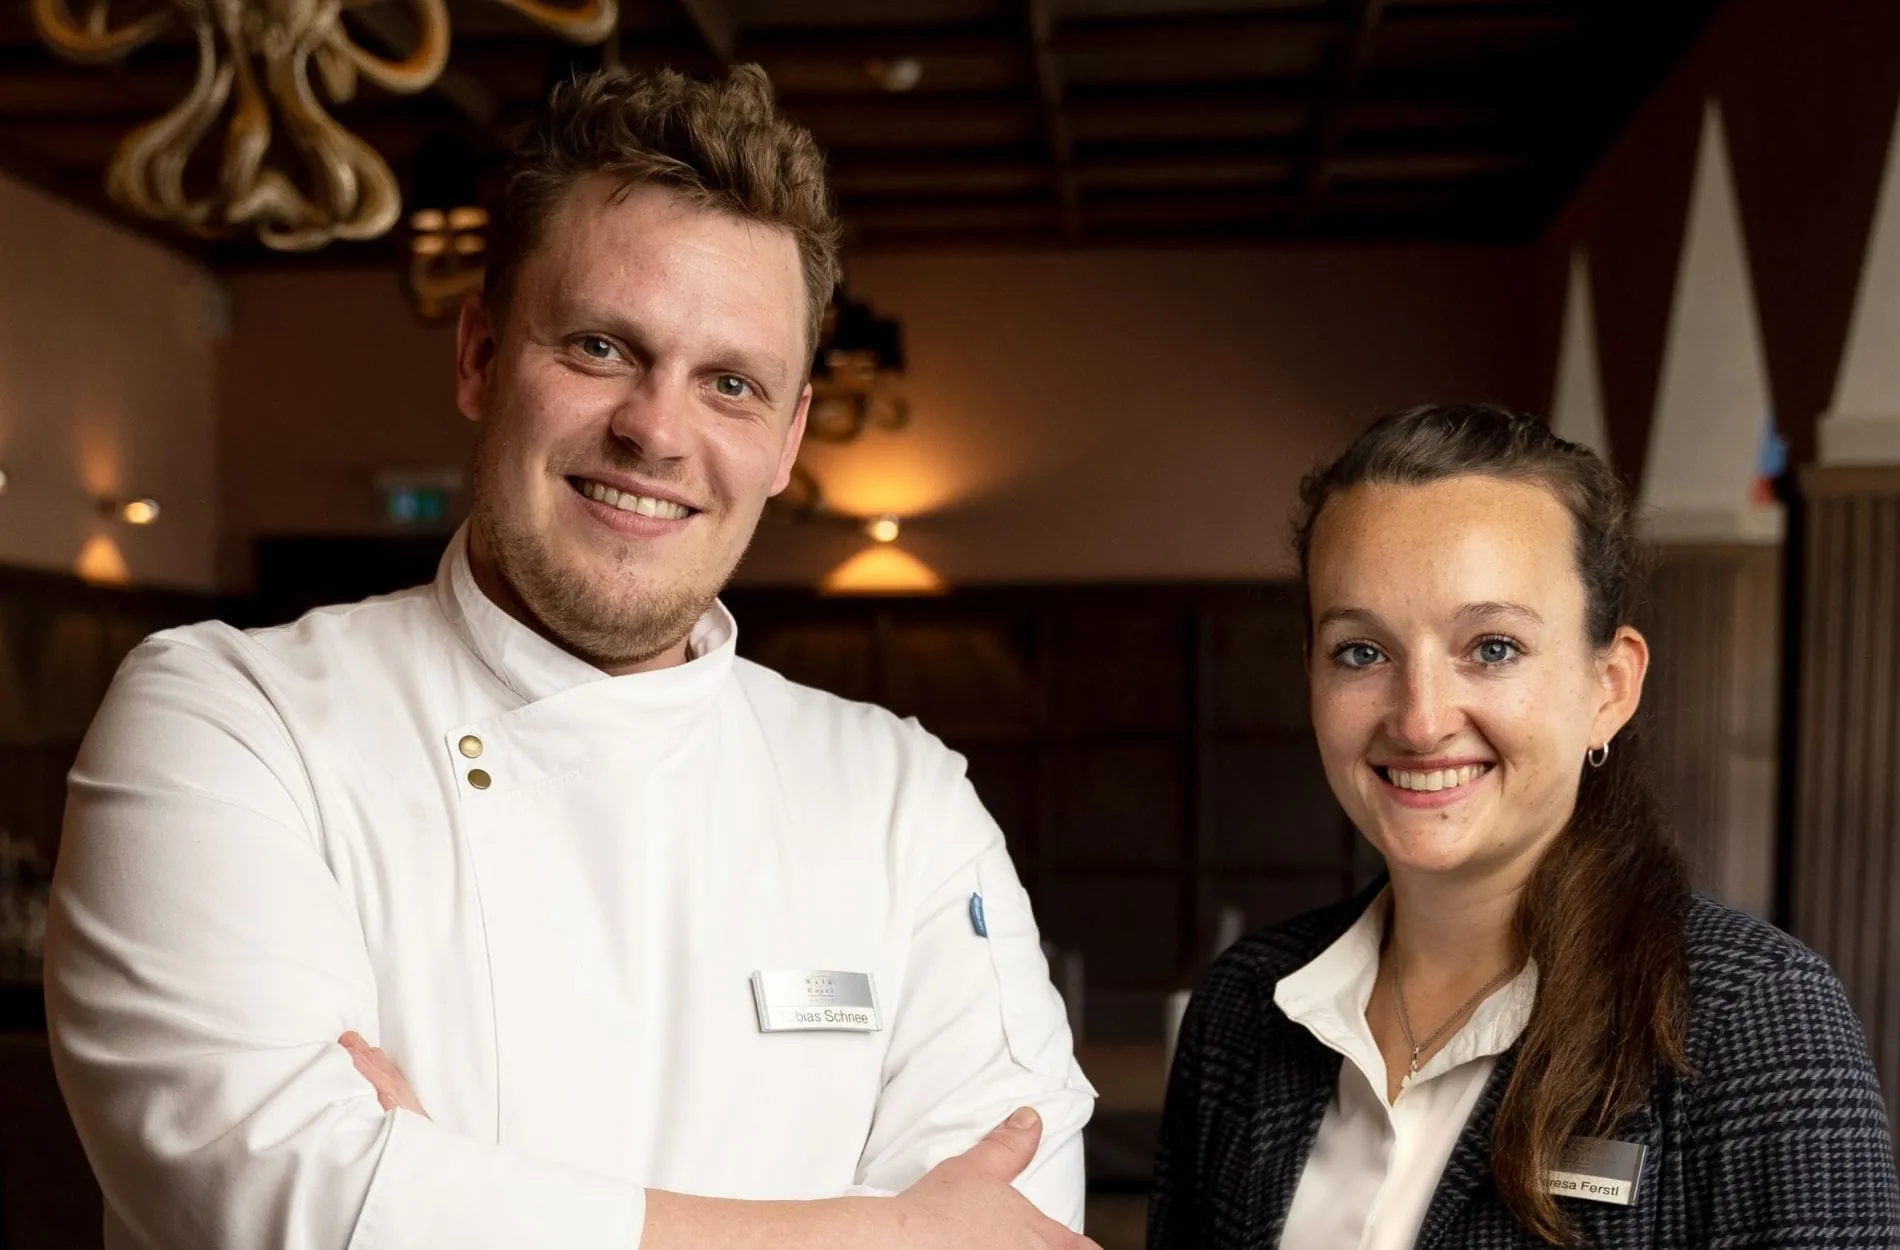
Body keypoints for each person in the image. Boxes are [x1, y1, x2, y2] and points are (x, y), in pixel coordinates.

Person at [45, 66, 1098, 1250]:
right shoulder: (227, 716)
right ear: (482, 356)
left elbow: (1010, 1228)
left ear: (788, 437)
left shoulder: (903, 794)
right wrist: (882, 1231)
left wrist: (432, 1192)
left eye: (731, 383)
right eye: (600, 346)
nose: (655, 429)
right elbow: (274, 1198)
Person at [1148, 404, 1900, 1247]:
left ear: (1609, 686)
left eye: (1493, 647)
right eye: (1362, 652)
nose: (1421, 720)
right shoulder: (1244, 1007)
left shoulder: (1755, 1018)